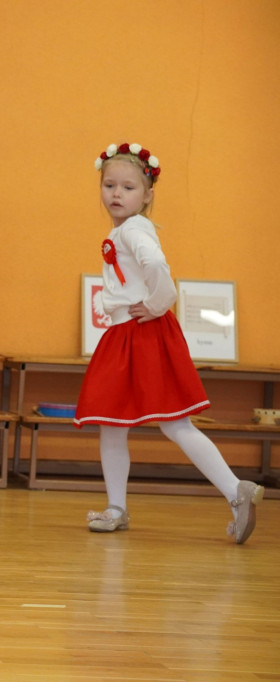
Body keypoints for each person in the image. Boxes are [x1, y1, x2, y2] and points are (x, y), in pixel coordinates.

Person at [75, 142, 264, 543]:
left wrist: (158, 304)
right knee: (115, 424)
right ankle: (117, 507)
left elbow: (158, 267)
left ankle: (234, 491)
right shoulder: (124, 230)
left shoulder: (134, 230)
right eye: (109, 185)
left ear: (147, 196)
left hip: (141, 334)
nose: (116, 194)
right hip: (128, 335)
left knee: (173, 423)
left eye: (127, 187)